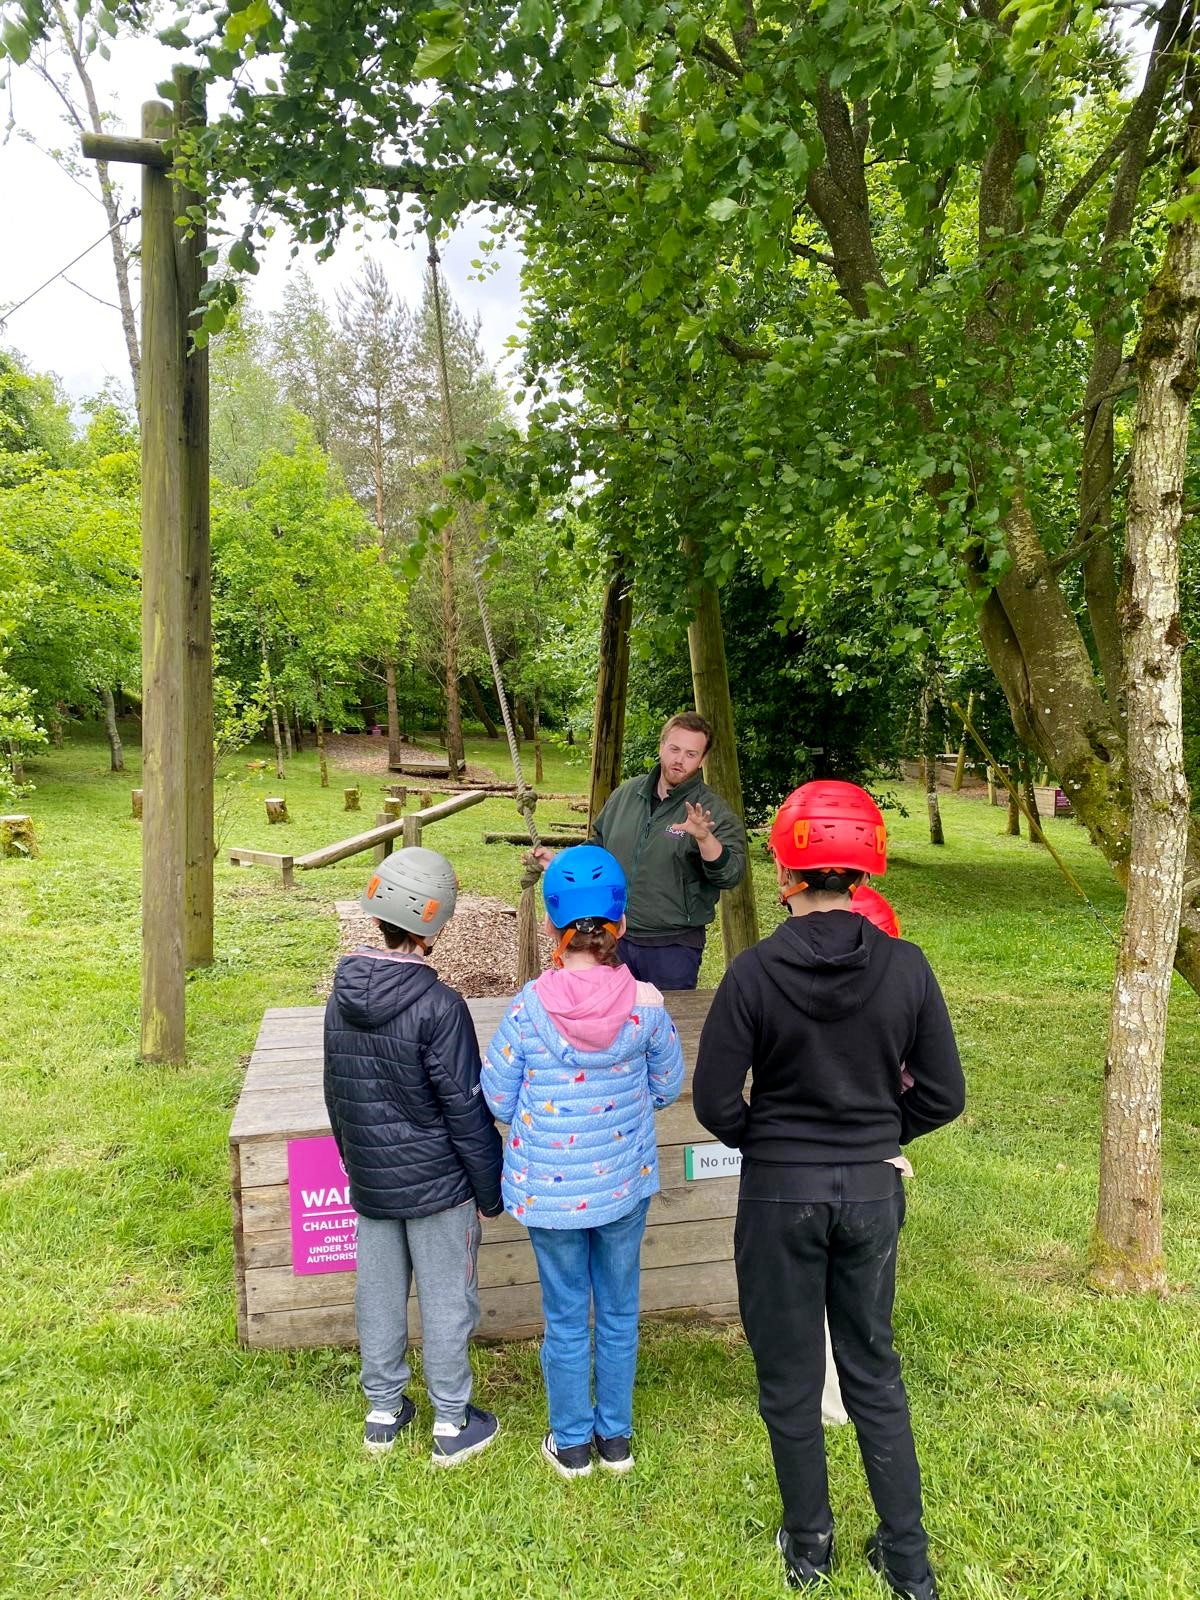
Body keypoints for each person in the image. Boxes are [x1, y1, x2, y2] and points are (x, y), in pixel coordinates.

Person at [693, 782, 965, 1599]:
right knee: (873, 1369)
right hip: (873, 1195)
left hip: (780, 1193)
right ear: (866, 864)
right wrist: (882, 1136)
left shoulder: (752, 971)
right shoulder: (906, 966)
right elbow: (945, 1094)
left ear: (787, 863)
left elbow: (713, 1102)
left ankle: (810, 1550)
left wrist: (773, 1144)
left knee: (790, 1377)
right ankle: (907, 1561)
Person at [481, 845, 685, 1478]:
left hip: (550, 1191)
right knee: (619, 1309)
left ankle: (571, 1443)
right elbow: (667, 1085)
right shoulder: (648, 1004)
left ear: (551, 926)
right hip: (623, 1186)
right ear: (620, 926)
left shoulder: (526, 1008)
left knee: (566, 1314)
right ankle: (615, 1439)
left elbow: (496, 1097)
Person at [323, 848, 505, 1466]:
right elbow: (466, 1109)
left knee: (377, 1294)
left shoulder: (338, 996)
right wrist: (488, 1191)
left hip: (372, 1181)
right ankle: (452, 1423)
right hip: (439, 1188)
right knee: (448, 1301)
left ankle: (383, 1411)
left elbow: (336, 1094)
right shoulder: (442, 1006)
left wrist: (356, 1164)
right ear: (438, 925)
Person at [535, 712, 747, 990]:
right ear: (661, 747)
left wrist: (705, 838)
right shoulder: (626, 793)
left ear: (702, 760)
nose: (679, 760)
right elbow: (599, 846)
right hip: (610, 935)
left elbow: (731, 875)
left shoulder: (712, 810)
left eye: (691, 754)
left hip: (673, 945)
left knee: (666, 1024)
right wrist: (563, 864)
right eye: (674, 749)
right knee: (607, 1022)